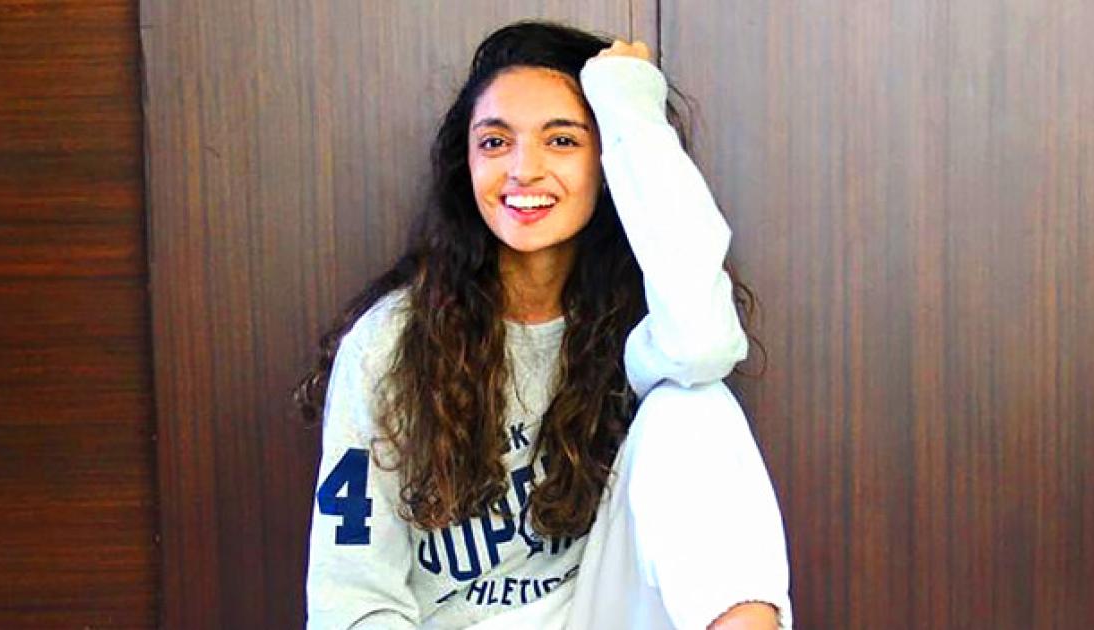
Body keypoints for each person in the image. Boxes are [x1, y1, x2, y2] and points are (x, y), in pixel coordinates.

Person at [297, 20, 792, 629]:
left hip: (599, 615)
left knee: (696, 407)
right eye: (495, 142)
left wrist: (630, 108)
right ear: (466, 164)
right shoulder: (391, 343)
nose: (523, 169)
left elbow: (703, 345)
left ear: (606, 161)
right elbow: (351, 600)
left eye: (561, 140)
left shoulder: (636, 322)